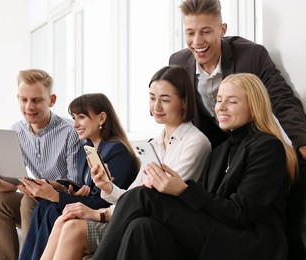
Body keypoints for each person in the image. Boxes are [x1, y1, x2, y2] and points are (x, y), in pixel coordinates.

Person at [90, 73, 298, 260]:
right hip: (219, 234)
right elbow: (206, 205)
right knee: (141, 227)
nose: (221, 107)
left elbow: (240, 212)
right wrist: (175, 188)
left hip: (250, 244)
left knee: (141, 196)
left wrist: (184, 190)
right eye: (218, 100)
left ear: (253, 107)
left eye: (232, 101)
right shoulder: (220, 152)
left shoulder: (268, 147)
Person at [40, 65, 212, 260]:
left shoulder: (195, 142)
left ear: (184, 101)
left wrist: (101, 214)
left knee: (73, 227)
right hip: (134, 214)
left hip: (162, 225)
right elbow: (133, 197)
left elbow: (157, 201)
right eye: (152, 98)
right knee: (64, 220)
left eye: (165, 100)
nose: (156, 107)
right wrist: (108, 187)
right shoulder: (154, 144)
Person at [169, 0, 306, 167]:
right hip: (206, 155)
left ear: (222, 30)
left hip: (247, 149)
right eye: (190, 32)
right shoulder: (178, 62)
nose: (197, 41)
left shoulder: (251, 56)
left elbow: (282, 99)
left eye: (206, 31)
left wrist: (304, 144)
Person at [18, 93, 140, 260]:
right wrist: (66, 190)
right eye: (74, 118)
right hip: (93, 203)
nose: (75, 125)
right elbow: (88, 189)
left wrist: (56, 196)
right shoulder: (87, 149)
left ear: (101, 118)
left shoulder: (117, 151)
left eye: (81, 117)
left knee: (53, 208)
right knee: (44, 206)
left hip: (107, 211)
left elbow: (105, 201)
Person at [0, 68, 80, 260]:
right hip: (34, 195)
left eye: (36, 100)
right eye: (23, 100)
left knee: (29, 200)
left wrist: (41, 187)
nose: (29, 106)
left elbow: (74, 182)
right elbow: (14, 182)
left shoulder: (70, 132)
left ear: (52, 100)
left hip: (61, 201)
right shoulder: (16, 131)